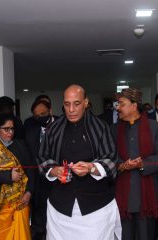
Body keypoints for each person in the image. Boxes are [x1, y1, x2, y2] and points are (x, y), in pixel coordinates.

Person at [38, 84, 121, 240]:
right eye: (67, 104)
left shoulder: (101, 127)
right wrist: (54, 170)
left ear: (85, 102)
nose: (71, 109)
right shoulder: (53, 129)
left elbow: (111, 160)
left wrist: (91, 167)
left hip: (96, 208)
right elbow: (43, 158)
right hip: (60, 207)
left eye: (76, 104)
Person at [111, 88, 158, 240]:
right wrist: (123, 165)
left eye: (122, 104)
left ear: (134, 106)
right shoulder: (114, 129)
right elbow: (109, 157)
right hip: (122, 197)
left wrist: (142, 164)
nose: (118, 108)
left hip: (147, 197)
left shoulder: (154, 127)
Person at [25, 99, 56, 240]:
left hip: (60, 184)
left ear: (50, 111)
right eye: (37, 116)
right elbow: (31, 162)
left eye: (43, 114)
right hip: (39, 185)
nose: (41, 117)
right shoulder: (31, 133)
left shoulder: (64, 126)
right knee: (39, 224)